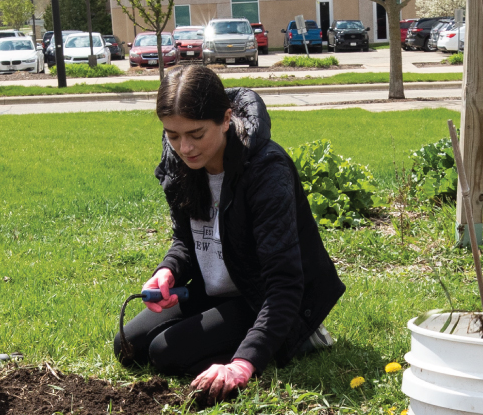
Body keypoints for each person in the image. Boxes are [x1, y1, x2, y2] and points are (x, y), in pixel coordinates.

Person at [115, 65, 344, 397]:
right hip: (217, 290)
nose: (185, 148)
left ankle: (301, 335)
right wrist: (168, 271)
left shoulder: (266, 170)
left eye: (196, 134)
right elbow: (186, 238)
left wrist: (242, 364)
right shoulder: (181, 164)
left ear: (225, 119)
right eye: (172, 135)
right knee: (127, 346)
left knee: (165, 353)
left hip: (264, 298)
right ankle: (248, 335)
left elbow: (284, 284)